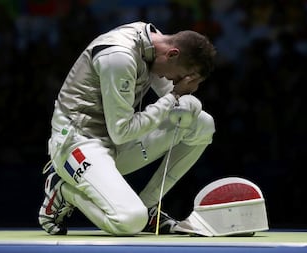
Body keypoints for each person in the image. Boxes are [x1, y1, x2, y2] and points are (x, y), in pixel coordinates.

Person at [38, 21, 217, 236]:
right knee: (130, 221)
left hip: (116, 142)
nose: (173, 81)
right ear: (172, 54)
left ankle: (149, 207)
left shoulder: (155, 46)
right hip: (79, 142)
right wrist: (174, 96)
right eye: (180, 77)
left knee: (202, 124)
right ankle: (65, 190)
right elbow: (123, 129)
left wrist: (184, 99)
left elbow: (176, 103)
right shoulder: (119, 56)